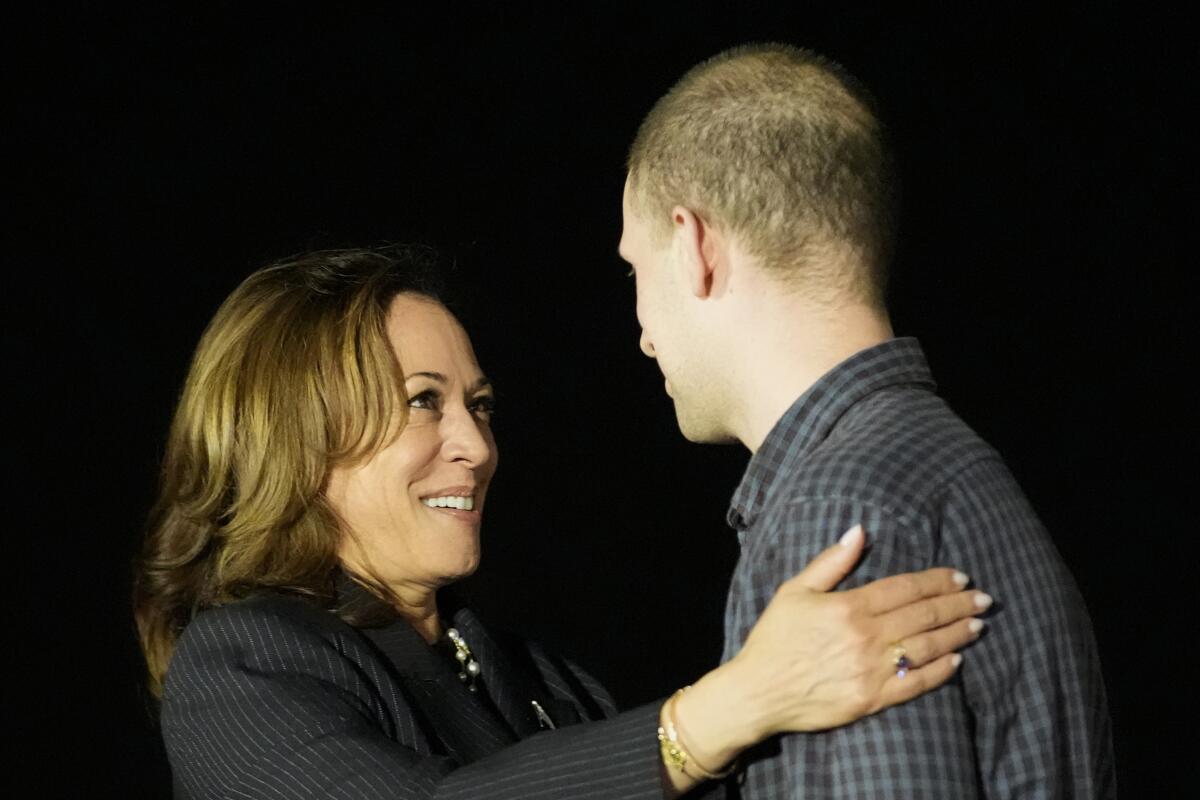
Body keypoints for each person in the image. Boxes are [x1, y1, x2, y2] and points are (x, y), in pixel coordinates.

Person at [134, 247, 989, 800]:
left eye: (480, 405)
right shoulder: (239, 671)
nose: (476, 445)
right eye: (423, 403)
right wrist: (732, 704)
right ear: (297, 437)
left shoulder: (537, 673)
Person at [618, 43, 1115, 798]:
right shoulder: (950, 466)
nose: (644, 331)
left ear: (694, 245)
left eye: (636, 271)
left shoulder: (838, 518)